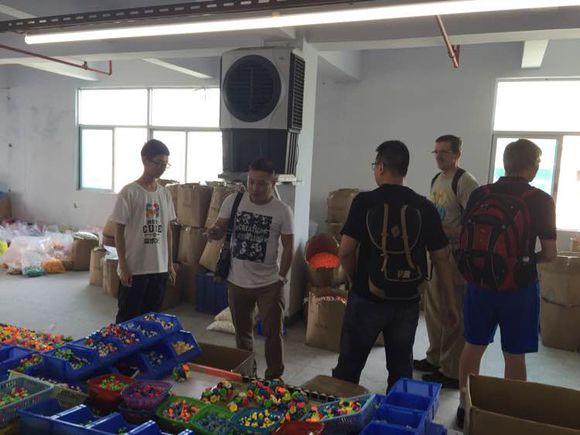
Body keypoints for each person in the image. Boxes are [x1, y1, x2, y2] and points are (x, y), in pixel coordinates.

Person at [332, 140, 458, 392]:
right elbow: (442, 257)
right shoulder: (424, 206)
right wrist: (450, 303)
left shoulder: (364, 201)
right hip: (408, 300)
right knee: (400, 370)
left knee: (349, 368)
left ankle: (343, 413)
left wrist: (356, 279)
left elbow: (345, 251)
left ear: (380, 167)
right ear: (405, 170)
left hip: (367, 298)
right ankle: (397, 413)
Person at [455, 139, 557, 428]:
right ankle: (510, 415)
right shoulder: (541, 200)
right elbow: (550, 254)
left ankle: (464, 406)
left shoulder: (480, 194)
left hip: (478, 283)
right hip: (519, 289)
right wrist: (524, 262)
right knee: (514, 354)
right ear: (533, 166)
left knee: (472, 347)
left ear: (505, 162)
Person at [207, 157, 294, 380]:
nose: (255, 188)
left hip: (269, 284)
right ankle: (247, 375)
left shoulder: (282, 211)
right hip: (237, 282)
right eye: (251, 181)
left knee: (273, 334)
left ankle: (274, 378)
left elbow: (288, 246)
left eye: (261, 183)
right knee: (242, 334)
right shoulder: (233, 201)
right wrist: (213, 232)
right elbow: (219, 228)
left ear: (273, 183)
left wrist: (282, 278)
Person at [414, 134, 479, 388]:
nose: (439, 156)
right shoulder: (437, 179)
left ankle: (451, 370)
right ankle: (435, 358)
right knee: (434, 310)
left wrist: (443, 232)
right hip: (435, 253)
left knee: (453, 312)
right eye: (436, 151)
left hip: (455, 257)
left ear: (457, 154)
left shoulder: (465, 182)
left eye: (444, 152)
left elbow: (474, 226)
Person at [112, 139, 176, 323]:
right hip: (135, 268)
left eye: (165, 164)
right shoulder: (129, 192)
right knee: (127, 319)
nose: (162, 168)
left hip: (159, 267)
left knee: (152, 319)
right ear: (145, 160)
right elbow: (118, 231)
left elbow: (167, 231)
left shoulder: (164, 193)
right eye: (159, 163)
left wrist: (170, 264)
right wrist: (123, 266)